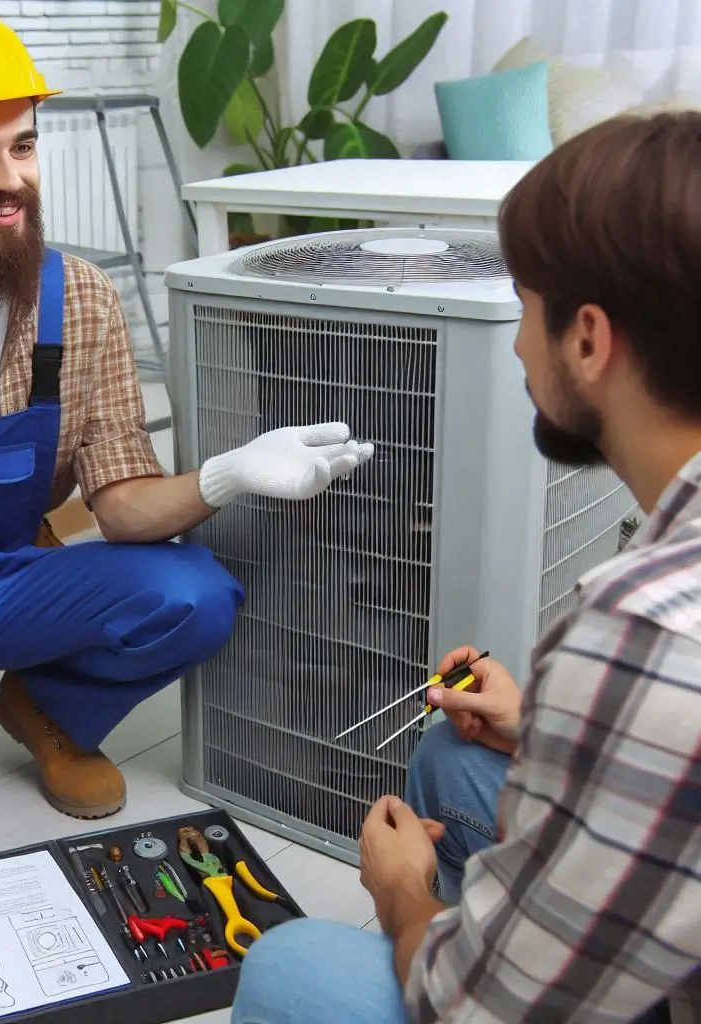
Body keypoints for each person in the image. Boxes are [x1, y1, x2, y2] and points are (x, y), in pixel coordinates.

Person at [0, 2, 373, 897]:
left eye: (24, 145)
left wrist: (225, 476)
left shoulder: (78, 299)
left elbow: (120, 505)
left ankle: (43, 705)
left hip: (14, 581)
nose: (11, 179)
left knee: (195, 595)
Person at [231, 110, 701, 1023]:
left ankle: (446, 926)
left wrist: (403, 893)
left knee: (293, 967)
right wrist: (543, 728)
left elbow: (472, 1000)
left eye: (523, 304)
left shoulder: (643, 631)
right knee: (452, 752)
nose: (520, 343)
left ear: (589, 339)